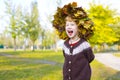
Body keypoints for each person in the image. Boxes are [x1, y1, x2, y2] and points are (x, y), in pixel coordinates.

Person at [52, 2, 95, 80]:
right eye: (67, 25)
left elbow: (90, 58)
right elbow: (66, 57)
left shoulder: (84, 44)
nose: (69, 27)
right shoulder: (65, 44)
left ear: (79, 27)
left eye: (72, 24)